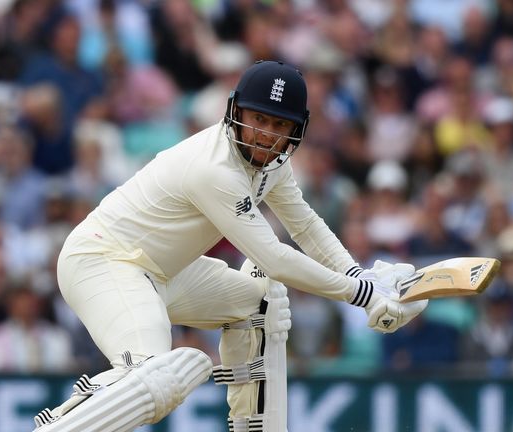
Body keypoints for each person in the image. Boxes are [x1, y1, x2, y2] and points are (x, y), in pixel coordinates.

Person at [33, 60, 427, 432]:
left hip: (163, 271)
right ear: (236, 111)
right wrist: (362, 294)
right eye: (258, 119)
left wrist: (359, 273)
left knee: (259, 304)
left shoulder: (273, 164)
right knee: (155, 378)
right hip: (105, 263)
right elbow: (273, 258)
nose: (266, 134)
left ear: (296, 130)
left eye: (278, 124)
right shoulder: (213, 169)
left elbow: (306, 225)